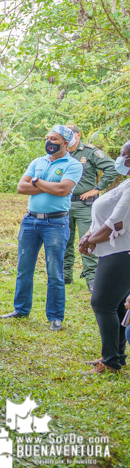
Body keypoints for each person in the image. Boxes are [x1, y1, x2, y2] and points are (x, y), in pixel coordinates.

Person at [1, 125, 83, 331]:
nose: (49, 142)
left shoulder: (72, 165)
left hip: (56, 223)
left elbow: (64, 189)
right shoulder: (38, 161)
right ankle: (20, 309)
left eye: (54, 139)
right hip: (30, 221)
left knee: (55, 271)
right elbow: (21, 187)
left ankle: (55, 316)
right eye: (48, 138)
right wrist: (47, 185)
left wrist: (36, 182)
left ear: (65, 143)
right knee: (24, 269)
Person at [78, 140, 130, 374]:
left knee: (101, 303)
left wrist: (90, 240)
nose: (119, 157)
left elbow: (115, 223)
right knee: (116, 304)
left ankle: (110, 362)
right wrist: (88, 234)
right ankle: (117, 356)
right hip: (112, 251)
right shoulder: (127, 183)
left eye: (123, 154)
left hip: (122, 253)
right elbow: (104, 217)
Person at [63, 124, 118, 291]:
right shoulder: (60, 151)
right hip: (63, 203)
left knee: (88, 240)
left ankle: (92, 279)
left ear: (78, 135)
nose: (68, 136)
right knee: (65, 240)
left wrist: (97, 188)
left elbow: (112, 168)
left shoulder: (90, 152)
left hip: (84, 205)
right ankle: (65, 276)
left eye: (71, 134)